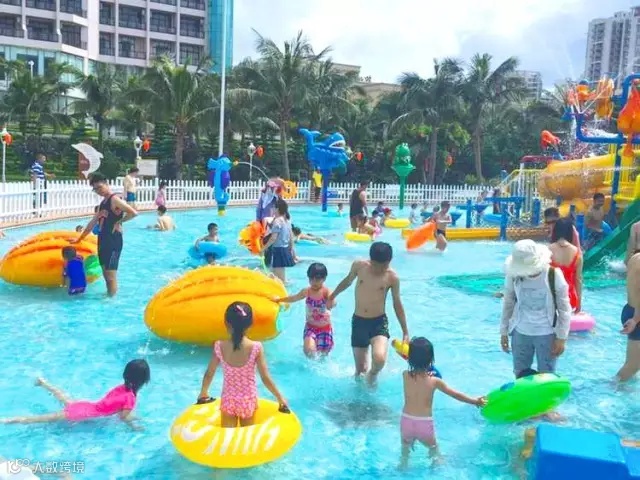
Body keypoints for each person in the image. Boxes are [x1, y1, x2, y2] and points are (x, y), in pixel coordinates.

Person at [329, 242, 409, 385]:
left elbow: (397, 303)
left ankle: (373, 374)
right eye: (376, 265)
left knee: (379, 359)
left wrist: (405, 331)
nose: (379, 269)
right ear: (370, 260)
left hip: (378, 323)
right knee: (360, 371)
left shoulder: (392, 277)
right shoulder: (359, 266)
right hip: (359, 322)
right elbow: (347, 281)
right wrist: (332, 296)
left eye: (383, 266)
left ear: (389, 261)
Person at [399, 337, 486, 469]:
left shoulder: (405, 375)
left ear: (410, 358)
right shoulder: (435, 381)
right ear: (431, 360)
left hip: (406, 421)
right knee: (434, 452)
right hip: (424, 423)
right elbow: (456, 394)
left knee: (405, 453)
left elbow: (412, 364)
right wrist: (475, 401)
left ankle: (402, 468)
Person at [197, 302, 288, 426]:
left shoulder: (219, 346)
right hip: (248, 401)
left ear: (226, 323)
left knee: (228, 436)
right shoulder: (256, 347)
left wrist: (203, 393)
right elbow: (265, 377)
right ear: (250, 324)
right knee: (247, 436)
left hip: (228, 400)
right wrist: (280, 397)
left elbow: (209, 373)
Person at [0, 359, 150, 430]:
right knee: (38, 420)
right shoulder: (130, 399)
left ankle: (43, 383)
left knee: (65, 399)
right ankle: (6, 420)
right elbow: (123, 417)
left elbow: (113, 405)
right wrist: (134, 426)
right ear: (143, 380)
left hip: (86, 406)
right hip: (83, 414)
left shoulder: (121, 387)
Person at [500, 240, 572, 376]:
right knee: (520, 374)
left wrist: (562, 337)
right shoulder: (514, 276)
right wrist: (503, 332)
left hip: (547, 333)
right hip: (520, 332)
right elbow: (508, 303)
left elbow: (564, 308)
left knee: (547, 375)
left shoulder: (553, 275)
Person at [72, 173, 138, 297]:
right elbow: (92, 223)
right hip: (102, 240)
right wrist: (79, 239)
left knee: (111, 276)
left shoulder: (114, 199)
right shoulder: (103, 203)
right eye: (95, 189)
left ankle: (111, 300)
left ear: (106, 184)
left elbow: (133, 212)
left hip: (113, 240)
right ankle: (109, 296)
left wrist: (119, 222)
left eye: (100, 187)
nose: (98, 191)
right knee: (105, 275)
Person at [276, 263, 335, 357]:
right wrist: (279, 300)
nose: (314, 282)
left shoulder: (326, 292)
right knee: (309, 352)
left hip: (325, 329)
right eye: (311, 279)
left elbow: (333, 300)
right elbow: (294, 298)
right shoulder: (307, 291)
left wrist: (331, 302)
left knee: (322, 357)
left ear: (324, 278)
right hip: (310, 327)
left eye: (317, 279)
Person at [549, 218, 583, 312]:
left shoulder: (548, 250)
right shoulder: (577, 254)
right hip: (569, 299)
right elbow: (578, 280)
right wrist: (579, 304)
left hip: (551, 297)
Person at [617, 250, 640, 381]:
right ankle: (614, 386)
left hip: (629, 309)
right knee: (633, 365)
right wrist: (636, 319)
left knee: (632, 362)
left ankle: (626, 387)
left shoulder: (635, 257)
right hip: (636, 316)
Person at [261, 198, 295, 283]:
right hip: (284, 249)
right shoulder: (287, 221)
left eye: (273, 207)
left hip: (279, 250)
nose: (272, 209)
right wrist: (291, 249)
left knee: (281, 280)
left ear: (277, 209)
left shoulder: (277, 221)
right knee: (275, 274)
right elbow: (291, 236)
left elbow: (273, 238)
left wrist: (263, 248)